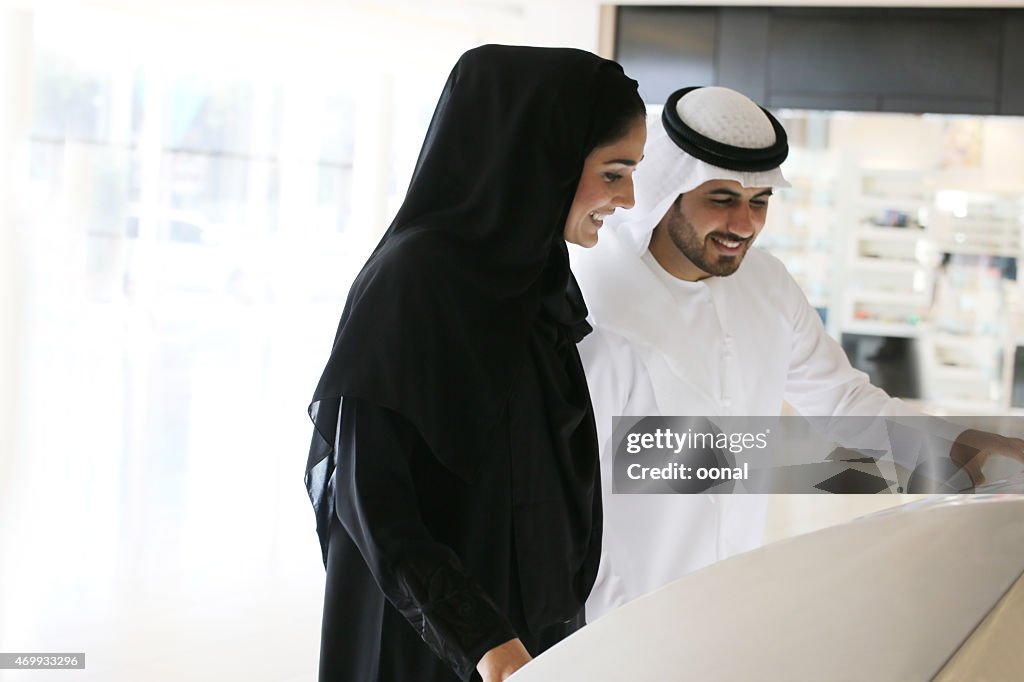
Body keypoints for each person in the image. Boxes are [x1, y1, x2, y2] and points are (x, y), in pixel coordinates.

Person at [572, 85, 1024, 620]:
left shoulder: (766, 284)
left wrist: (966, 444)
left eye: (759, 201)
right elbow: (571, 487)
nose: (744, 225)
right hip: (615, 619)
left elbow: (845, 405)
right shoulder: (593, 299)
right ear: (666, 192)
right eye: (721, 199)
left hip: (728, 605)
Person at [304, 45, 646, 682]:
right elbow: (370, 490)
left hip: (526, 640)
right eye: (613, 171)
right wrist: (481, 639)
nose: (626, 198)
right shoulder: (415, 279)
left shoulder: (536, 279)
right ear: (540, 158)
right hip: (436, 645)